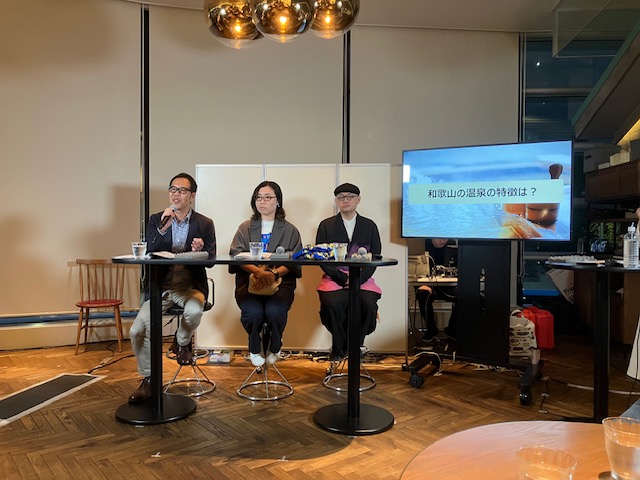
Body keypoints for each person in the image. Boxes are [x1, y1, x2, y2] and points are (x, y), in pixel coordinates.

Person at [128, 172, 216, 403]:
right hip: (162, 289)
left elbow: (212, 259)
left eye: (182, 190)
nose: (176, 194)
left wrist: (201, 249)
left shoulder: (204, 223)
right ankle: (149, 379)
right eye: (173, 189)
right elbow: (148, 251)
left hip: (190, 287)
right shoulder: (157, 219)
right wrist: (162, 229)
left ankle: (182, 341)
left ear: (192, 195)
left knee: (194, 311)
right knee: (137, 331)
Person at [229, 181, 303, 367]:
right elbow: (236, 255)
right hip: (249, 281)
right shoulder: (245, 227)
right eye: (259, 198)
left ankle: (275, 345)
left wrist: (274, 273)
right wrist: (257, 271)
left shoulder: (290, 230)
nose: (262, 201)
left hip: (280, 282)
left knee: (275, 311)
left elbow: (295, 259)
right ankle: (254, 347)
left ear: (278, 201)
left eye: (268, 197)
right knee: (253, 313)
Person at [315, 183, 382, 361]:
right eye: (341, 197)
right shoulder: (326, 225)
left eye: (350, 197)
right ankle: (339, 348)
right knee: (331, 304)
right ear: (336, 201)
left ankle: (355, 346)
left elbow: (375, 257)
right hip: (334, 278)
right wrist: (341, 277)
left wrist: (357, 279)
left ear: (358, 200)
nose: (346, 200)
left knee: (368, 304)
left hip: (362, 279)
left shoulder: (369, 226)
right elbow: (320, 256)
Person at [416, 238, 457, 341]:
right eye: (439, 238)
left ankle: (452, 329)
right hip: (429, 286)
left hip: (449, 286)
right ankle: (431, 329)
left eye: (445, 238)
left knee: (464, 294)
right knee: (422, 294)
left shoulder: (452, 246)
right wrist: (422, 284)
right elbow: (415, 271)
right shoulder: (421, 245)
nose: (443, 241)